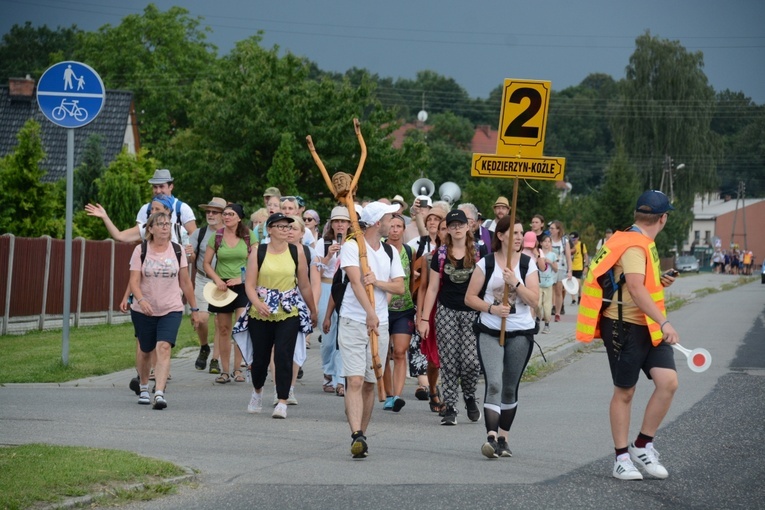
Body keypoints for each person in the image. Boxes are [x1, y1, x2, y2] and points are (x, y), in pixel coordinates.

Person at [576, 190, 680, 481]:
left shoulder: (638, 241)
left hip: (647, 326)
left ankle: (642, 445)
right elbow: (634, 288)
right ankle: (621, 457)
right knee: (625, 392)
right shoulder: (635, 246)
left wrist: (658, 282)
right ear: (663, 218)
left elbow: (633, 282)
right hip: (627, 327)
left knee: (668, 382)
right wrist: (665, 321)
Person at [465, 216, 539, 458]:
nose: (519, 237)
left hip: (520, 332)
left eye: (521, 233)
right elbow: (470, 298)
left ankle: (504, 438)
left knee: (509, 387)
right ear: (501, 235)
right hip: (490, 330)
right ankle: (491, 437)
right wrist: (492, 309)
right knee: (494, 382)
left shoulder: (528, 264)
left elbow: (534, 300)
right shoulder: (485, 264)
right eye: (514, 233)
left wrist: (515, 281)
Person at [337, 202, 405, 458]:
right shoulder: (353, 247)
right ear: (378, 222)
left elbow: (399, 287)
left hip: (381, 324)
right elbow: (355, 283)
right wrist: (369, 312)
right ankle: (355, 433)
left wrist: (377, 283)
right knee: (353, 379)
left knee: (368, 384)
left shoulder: (390, 251)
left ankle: (361, 436)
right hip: (354, 320)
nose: (394, 221)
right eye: (390, 217)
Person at [244, 213, 317, 419]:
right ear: (270, 229)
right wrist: (258, 304)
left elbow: (303, 283)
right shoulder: (259, 251)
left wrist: (313, 309)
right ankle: (257, 390)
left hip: (288, 310)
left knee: (284, 355)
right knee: (260, 358)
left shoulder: (297, 252)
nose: (286, 230)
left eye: (288, 227)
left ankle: (282, 400)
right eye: (281, 226)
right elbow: (249, 284)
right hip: (261, 311)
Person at [417, 209, 482, 426]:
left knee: (471, 362)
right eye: (452, 225)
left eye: (459, 224)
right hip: (446, 312)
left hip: (472, 312)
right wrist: (425, 319)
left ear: (467, 227)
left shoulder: (478, 253)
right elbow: (432, 288)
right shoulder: (441, 254)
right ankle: (451, 407)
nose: (456, 228)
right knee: (449, 362)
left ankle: (470, 395)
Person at [129, 212, 200, 409]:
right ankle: (144, 387)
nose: (165, 227)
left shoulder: (177, 250)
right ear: (150, 229)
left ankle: (159, 392)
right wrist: (141, 300)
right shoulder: (140, 250)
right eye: (160, 224)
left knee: (164, 347)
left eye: (167, 224)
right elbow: (134, 281)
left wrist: (194, 309)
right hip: (144, 309)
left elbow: (185, 282)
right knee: (145, 350)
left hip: (171, 308)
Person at [203, 203, 255, 384]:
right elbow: (206, 263)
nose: (226, 217)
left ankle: (238, 369)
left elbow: (256, 262)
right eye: (224, 214)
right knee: (223, 329)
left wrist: (241, 280)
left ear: (239, 217)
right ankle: (225, 371)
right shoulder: (216, 237)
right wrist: (217, 279)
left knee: (240, 328)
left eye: (231, 214)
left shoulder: (249, 235)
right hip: (222, 286)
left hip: (242, 286)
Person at [188, 196, 226, 372]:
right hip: (203, 278)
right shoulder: (199, 233)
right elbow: (192, 258)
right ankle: (204, 347)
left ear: (223, 215)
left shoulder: (232, 233)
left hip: (224, 281)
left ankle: (215, 361)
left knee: (220, 322)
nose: (210, 214)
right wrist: (190, 254)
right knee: (201, 319)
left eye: (214, 212)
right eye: (208, 211)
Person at [318, 206, 352, 396]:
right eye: (337, 221)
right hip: (326, 286)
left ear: (348, 224)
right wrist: (329, 255)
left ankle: (340, 378)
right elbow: (316, 272)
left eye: (343, 221)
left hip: (346, 288)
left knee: (343, 335)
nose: (340, 225)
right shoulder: (322, 243)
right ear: (331, 224)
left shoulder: (354, 243)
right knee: (328, 336)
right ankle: (327, 371)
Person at [381, 214, 415, 412]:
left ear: (404, 229)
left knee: (400, 352)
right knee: (384, 353)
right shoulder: (380, 249)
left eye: (398, 226)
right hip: (382, 308)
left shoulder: (410, 251)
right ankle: (387, 394)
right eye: (391, 226)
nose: (394, 230)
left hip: (404, 308)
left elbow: (413, 280)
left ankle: (397, 396)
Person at [136, 169, 197, 245]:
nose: (158, 191)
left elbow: (193, 235)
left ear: (171, 187)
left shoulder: (182, 208)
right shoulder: (145, 209)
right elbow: (137, 236)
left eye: (161, 186)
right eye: (155, 187)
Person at [549, 220, 573, 321]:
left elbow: (568, 257)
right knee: (549, 290)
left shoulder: (564, 241)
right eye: (550, 228)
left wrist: (570, 271)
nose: (550, 230)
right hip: (549, 268)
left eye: (552, 228)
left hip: (561, 268)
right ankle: (548, 309)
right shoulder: (548, 240)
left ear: (558, 230)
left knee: (558, 290)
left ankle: (557, 312)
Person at [537, 234, 558, 334]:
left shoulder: (552, 255)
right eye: (545, 241)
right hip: (538, 283)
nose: (547, 243)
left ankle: (546, 325)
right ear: (541, 243)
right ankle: (537, 321)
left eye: (549, 242)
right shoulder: (537, 254)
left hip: (548, 283)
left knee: (547, 306)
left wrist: (550, 262)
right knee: (537, 304)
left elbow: (556, 269)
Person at [569, 232, 588, 305]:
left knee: (577, 283)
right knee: (571, 283)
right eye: (571, 239)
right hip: (571, 266)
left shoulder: (582, 245)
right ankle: (573, 299)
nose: (573, 240)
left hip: (579, 266)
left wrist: (586, 266)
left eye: (574, 239)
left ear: (578, 238)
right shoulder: (569, 245)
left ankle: (580, 296)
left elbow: (586, 256)